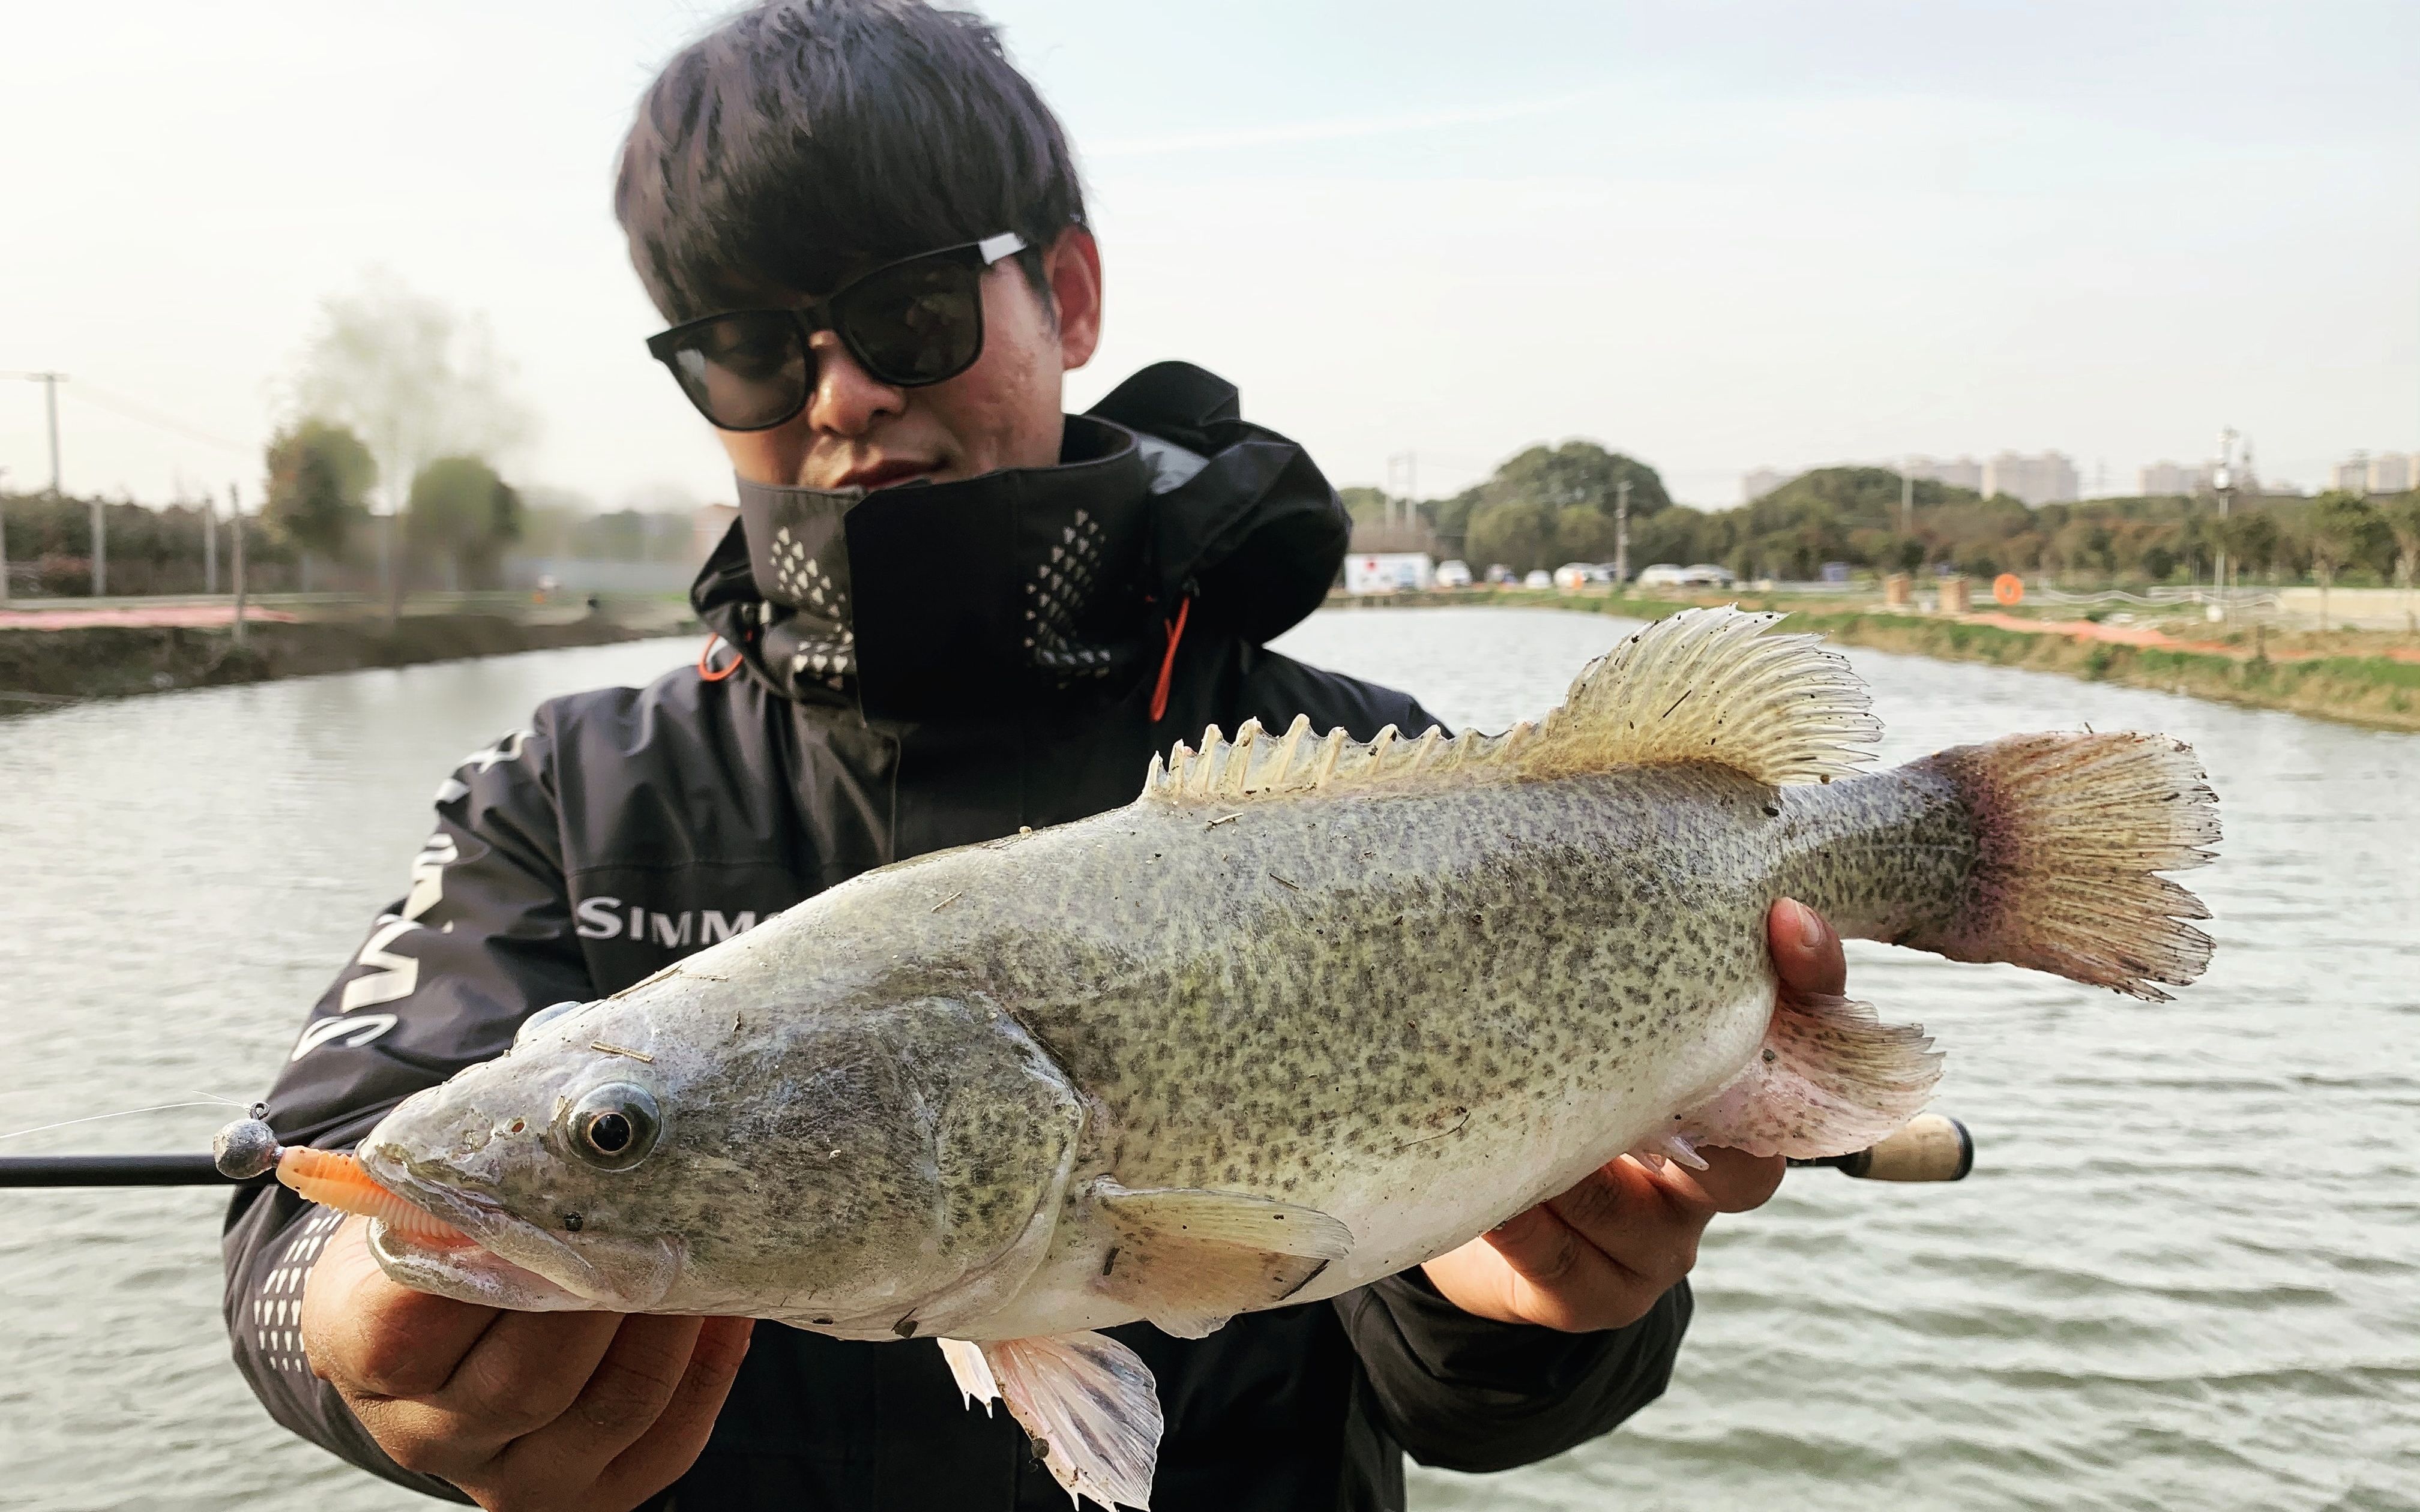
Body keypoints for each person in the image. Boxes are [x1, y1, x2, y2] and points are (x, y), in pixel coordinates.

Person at [224, 3, 1849, 1507]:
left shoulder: (1387, 783)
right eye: (748, 350)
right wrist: (371, 1351)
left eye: (910, 311)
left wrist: (1534, 1313)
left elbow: (1465, 1394)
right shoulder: (568, 793)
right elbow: (297, 1204)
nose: (845, 392)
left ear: (1065, 295)